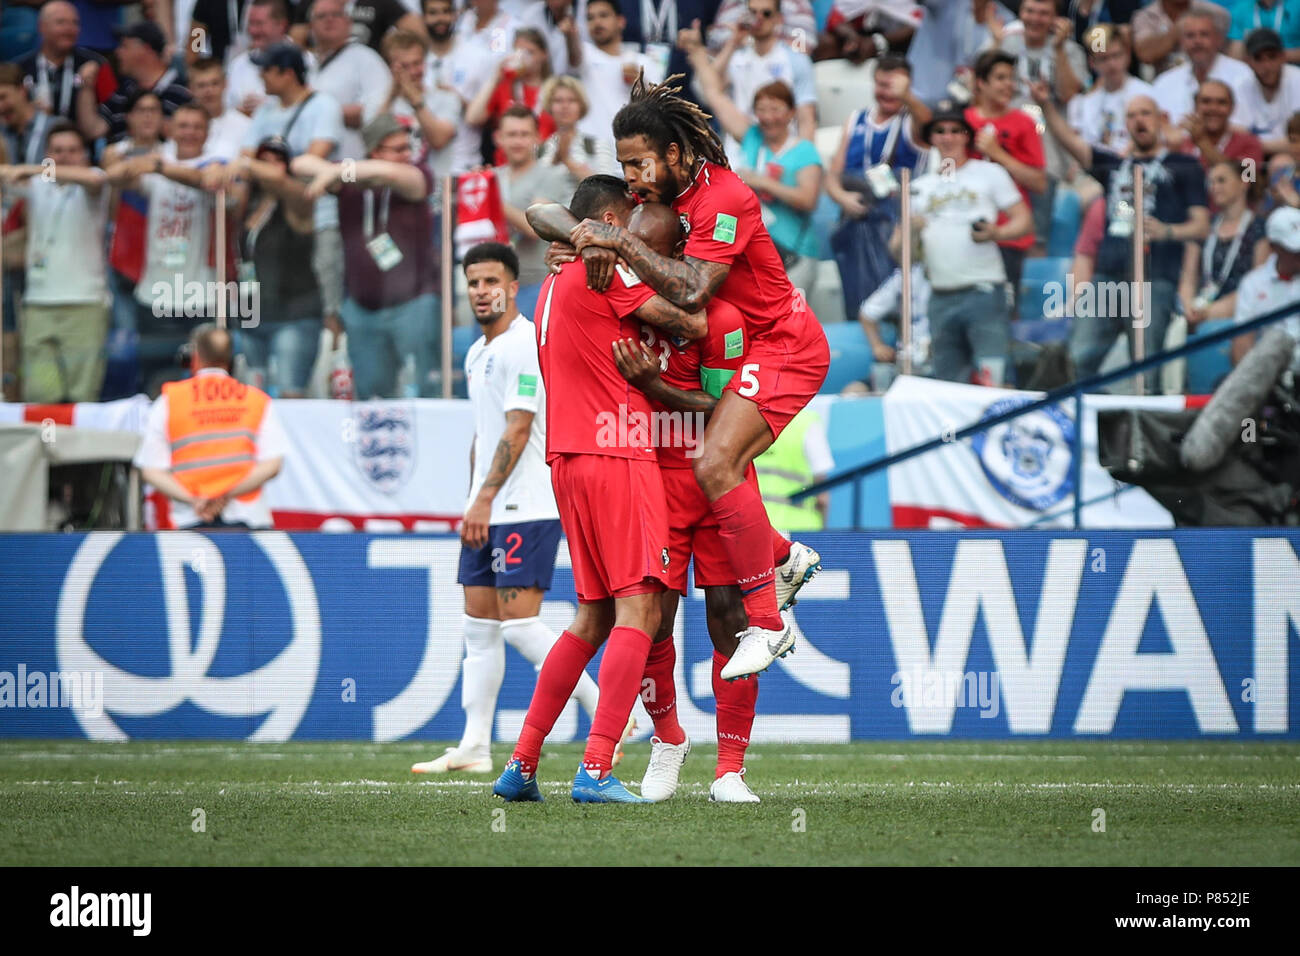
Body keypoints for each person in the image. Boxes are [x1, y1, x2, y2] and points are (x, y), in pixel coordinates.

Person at [556, 74, 830, 680]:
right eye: (623, 165)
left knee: (713, 464)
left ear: (673, 154)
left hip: (786, 344)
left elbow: (694, 290)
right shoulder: (673, 199)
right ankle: (784, 557)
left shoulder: (723, 197)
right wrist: (588, 242)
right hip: (752, 348)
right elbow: (553, 213)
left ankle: (769, 623)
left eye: (638, 163)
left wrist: (615, 246)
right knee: (717, 469)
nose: (630, 177)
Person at [491, 174, 712, 804]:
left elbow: (543, 213)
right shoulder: (606, 272)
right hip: (617, 451)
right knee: (640, 606)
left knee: (591, 616)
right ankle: (595, 767)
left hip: (567, 460)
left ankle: (523, 765)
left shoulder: (551, 284)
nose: (642, 232)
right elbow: (688, 322)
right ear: (612, 220)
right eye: (633, 220)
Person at [606, 202, 803, 804]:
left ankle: (730, 771)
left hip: (719, 479)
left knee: (730, 620)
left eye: (656, 252)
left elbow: (726, 415)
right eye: (633, 249)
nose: (643, 262)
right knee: (650, 621)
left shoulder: (723, 319)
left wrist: (654, 387)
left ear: (683, 255)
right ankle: (667, 741)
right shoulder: (626, 307)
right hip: (653, 484)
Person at [412, 240, 602, 776]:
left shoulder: (524, 344)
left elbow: (519, 429)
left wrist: (487, 498)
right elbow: (485, 433)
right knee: (479, 627)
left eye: (491, 281)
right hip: (489, 506)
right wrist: (475, 499)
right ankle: (474, 745)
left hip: (526, 503)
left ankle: (614, 708)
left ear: (513, 287)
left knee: (519, 626)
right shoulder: (477, 352)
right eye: (473, 282)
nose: (481, 291)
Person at [1034, 81, 1210, 394]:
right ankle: (1086, 430)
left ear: (1160, 119)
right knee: (1079, 357)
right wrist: (1046, 105)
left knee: (1145, 366)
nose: (1139, 120)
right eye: (1131, 115)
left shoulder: (1184, 166)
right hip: (1107, 277)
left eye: (1145, 113)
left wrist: (1167, 231)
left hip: (1154, 279)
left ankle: (1144, 436)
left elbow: (1201, 226)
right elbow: (1071, 143)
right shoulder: (1114, 166)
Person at [293, 113, 439, 398]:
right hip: (363, 310)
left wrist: (336, 172)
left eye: (407, 147)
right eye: (397, 149)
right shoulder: (351, 179)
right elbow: (300, 164)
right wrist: (339, 173)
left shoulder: (417, 173)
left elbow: (394, 175)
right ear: (374, 150)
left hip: (414, 304)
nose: (406, 155)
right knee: (372, 399)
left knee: (426, 393)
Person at [891, 108, 1031, 387]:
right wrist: (911, 231)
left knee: (994, 377)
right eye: (940, 131)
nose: (948, 137)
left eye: (955, 130)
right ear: (931, 138)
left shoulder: (989, 173)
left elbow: (1024, 220)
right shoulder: (919, 187)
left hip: (984, 290)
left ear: (967, 136)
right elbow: (898, 253)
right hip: (940, 295)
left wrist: (997, 232)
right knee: (948, 383)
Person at [133, 323, 287, 529]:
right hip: (249, 518)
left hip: (191, 519)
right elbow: (272, 464)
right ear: (231, 360)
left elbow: (151, 470)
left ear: (194, 357)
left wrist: (197, 499)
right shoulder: (256, 400)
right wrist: (224, 493)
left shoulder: (169, 401)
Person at [0, 123, 110, 403]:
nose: (65, 157)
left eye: (73, 151)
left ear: (85, 155)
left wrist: (33, 169)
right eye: (58, 151)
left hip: (85, 305)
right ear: (46, 154)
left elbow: (93, 180)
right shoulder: (36, 186)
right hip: (39, 306)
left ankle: (79, 449)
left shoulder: (93, 179)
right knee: (41, 394)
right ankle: (49, 446)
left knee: (81, 397)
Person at [690, 67, 824, 295]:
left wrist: (761, 182)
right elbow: (715, 96)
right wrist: (697, 53)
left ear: (791, 112)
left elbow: (808, 199)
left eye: (775, 109)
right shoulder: (753, 138)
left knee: (790, 322)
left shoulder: (804, 151)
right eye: (761, 109)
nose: (768, 117)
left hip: (795, 254)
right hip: (757, 255)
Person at [215, 136, 322, 397]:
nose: (271, 168)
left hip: (293, 316)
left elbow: (284, 184)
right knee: (252, 398)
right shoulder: (249, 202)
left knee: (290, 396)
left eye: (278, 161)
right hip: (251, 316)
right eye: (265, 160)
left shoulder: (299, 200)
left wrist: (247, 162)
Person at [965, 49, 1047, 291]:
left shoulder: (1024, 123)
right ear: (981, 83)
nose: (1009, 85)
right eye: (1001, 78)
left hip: (1009, 233)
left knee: (1005, 311)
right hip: (967, 228)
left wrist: (997, 154)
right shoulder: (961, 122)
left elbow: (1039, 183)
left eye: (1011, 78)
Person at [706, 0, 817, 161]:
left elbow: (806, 120)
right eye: (752, 13)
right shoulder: (736, 58)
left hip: (782, 154)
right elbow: (708, 86)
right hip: (738, 151)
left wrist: (803, 162)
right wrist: (733, 42)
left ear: (779, 18)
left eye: (766, 13)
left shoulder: (797, 61)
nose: (759, 19)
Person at [494, 105, 572, 316]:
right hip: (495, 285)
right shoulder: (492, 177)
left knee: (531, 348)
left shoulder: (552, 175)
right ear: (498, 138)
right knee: (490, 348)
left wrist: (489, 197)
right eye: (511, 134)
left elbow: (533, 226)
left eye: (524, 134)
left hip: (536, 283)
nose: (518, 141)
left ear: (537, 137)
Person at [1180, 158, 1270, 330]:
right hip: (1199, 316)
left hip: (1242, 319)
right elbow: (1188, 277)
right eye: (1211, 182)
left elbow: (1260, 284)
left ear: (1243, 183)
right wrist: (1189, 308)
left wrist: (1209, 312)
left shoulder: (1259, 227)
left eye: (1221, 180)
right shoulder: (1204, 227)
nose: (1214, 187)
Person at [308, 0, 391, 164]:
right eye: (321, 16)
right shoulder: (308, 64)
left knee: (348, 185)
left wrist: (324, 113)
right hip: (316, 165)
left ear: (349, 21)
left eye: (336, 14)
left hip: (353, 164)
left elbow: (380, 112)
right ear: (311, 26)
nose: (329, 19)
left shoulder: (366, 58)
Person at [571, 0, 664, 147]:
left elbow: (662, 109)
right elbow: (573, 56)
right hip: (592, 150)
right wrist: (569, 35)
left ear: (621, 21)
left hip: (633, 150)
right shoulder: (584, 54)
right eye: (590, 18)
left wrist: (641, 84)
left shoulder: (644, 62)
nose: (597, 22)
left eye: (603, 15)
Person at [84, 21, 191, 144]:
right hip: (120, 160)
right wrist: (85, 87)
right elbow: (93, 130)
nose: (118, 52)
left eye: (124, 46)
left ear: (145, 49)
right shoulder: (125, 89)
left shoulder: (183, 92)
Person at [465, 26, 556, 166]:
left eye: (530, 52)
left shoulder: (554, 90)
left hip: (544, 169)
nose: (523, 57)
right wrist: (495, 77)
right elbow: (473, 118)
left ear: (544, 55)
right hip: (506, 169)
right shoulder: (505, 85)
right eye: (519, 52)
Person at [1150, 9, 1254, 127]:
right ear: (1181, 42)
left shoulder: (1242, 75)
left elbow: (1247, 127)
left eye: (1204, 34)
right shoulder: (1165, 83)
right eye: (1190, 36)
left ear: (1219, 39)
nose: (1197, 41)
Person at [380, 28, 460, 179]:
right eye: (404, 66)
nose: (412, 72)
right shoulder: (381, 101)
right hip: (393, 187)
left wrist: (414, 99)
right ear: (391, 68)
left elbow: (438, 140)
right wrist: (392, 94)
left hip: (436, 188)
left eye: (416, 63)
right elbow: (373, 143)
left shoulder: (447, 98)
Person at [16, 1, 114, 124]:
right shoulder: (20, 68)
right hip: (33, 138)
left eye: (75, 23)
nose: (69, 29)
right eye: (61, 22)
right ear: (42, 27)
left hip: (83, 139)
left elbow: (112, 114)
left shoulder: (97, 64)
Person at [1229, 204, 1300, 368]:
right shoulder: (1253, 284)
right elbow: (1242, 344)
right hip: (1269, 373)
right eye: (1294, 250)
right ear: (1274, 247)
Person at [1067, 24, 1156, 154]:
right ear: (1092, 62)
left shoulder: (1147, 94)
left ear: (1127, 55)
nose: (1112, 64)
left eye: (1116, 55)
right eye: (1104, 59)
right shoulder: (1083, 101)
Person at [536, 74, 620, 198]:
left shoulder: (597, 144)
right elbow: (535, 189)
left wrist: (567, 161)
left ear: (581, 106)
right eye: (558, 100)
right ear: (550, 106)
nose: (565, 106)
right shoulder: (540, 149)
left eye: (572, 100)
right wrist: (555, 161)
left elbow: (607, 189)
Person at [753, 405, 833, 532]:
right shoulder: (807, 422)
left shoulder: (750, 419)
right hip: (802, 530)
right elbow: (822, 497)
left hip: (757, 527)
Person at [227, 0, 310, 117]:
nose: (253, 30)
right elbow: (226, 112)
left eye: (259, 24)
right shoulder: (238, 65)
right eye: (250, 23)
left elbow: (311, 108)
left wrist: (267, 108)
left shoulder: (305, 61)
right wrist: (239, 112)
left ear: (281, 25)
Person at [1177, 79, 1265, 180]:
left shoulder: (1250, 144)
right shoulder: (1182, 146)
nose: (1213, 108)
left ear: (1232, 107)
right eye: (1206, 101)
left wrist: (1202, 142)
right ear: (1195, 106)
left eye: (1221, 102)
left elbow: (1247, 180)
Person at [1237, 27, 1300, 153]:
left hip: (1292, 157)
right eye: (1258, 58)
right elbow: (1237, 131)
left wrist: (1252, 145)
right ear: (1248, 61)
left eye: (1272, 57)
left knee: (1280, 164)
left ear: (1283, 57)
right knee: (1244, 165)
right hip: (1254, 156)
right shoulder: (1241, 84)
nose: (1266, 65)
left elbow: (1297, 141)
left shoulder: (1297, 79)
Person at [1132, 0, 1230, 76]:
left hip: (1213, 80)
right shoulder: (1145, 17)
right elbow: (1145, 55)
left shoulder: (1216, 13)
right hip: (1165, 83)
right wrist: (1178, 29)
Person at [189, 57, 252, 161]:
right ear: (191, 89)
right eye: (201, 85)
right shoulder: (182, 127)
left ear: (225, 84)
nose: (209, 91)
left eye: (215, 83)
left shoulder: (245, 125)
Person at [1227, 0, 1300, 64]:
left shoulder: (1297, 5)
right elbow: (1235, 53)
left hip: (1293, 70)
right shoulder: (1241, 9)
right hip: (1254, 72)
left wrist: (1274, 56)